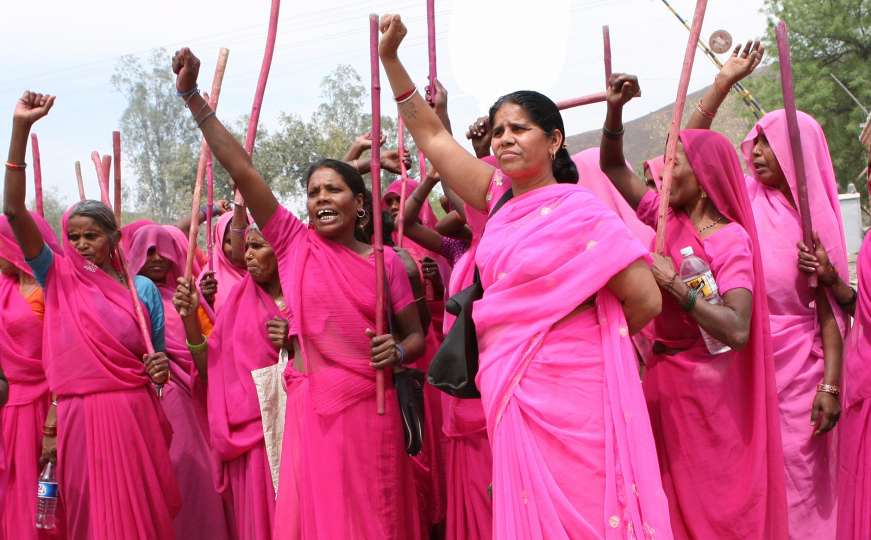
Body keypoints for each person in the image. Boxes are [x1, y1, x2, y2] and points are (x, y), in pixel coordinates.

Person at [378, 14, 671, 538]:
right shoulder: (495, 198)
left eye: (519, 129)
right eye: (497, 132)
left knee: (593, 503)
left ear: (554, 140)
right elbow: (432, 137)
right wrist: (391, 60)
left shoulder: (585, 213)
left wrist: (587, 330)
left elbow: (645, 298)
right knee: (529, 504)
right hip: (513, 382)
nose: (505, 140)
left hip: (580, 383)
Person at [171, 47, 426, 539]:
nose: (322, 199)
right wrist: (192, 98)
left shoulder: (387, 263)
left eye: (334, 190)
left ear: (359, 204)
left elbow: (416, 337)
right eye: (313, 192)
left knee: (376, 519)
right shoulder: (291, 242)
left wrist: (395, 349)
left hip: (372, 410)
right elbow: (243, 171)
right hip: (313, 414)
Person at [600, 72, 788, 539]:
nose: (662, 174)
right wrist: (615, 110)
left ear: (702, 178)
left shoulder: (730, 241)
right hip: (662, 391)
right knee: (664, 507)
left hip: (709, 401)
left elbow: (736, 328)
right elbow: (613, 168)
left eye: (674, 163)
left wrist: (677, 289)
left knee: (712, 512)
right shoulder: (664, 217)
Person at [686, 45, 846, 538]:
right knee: (748, 484)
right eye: (753, 142)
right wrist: (721, 84)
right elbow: (688, 145)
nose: (755, 152)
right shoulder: (739, 202)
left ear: (799, 153)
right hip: (742, 366)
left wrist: (830, 386)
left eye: (768, 143)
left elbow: (831, 316)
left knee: (802, 485)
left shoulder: (814, 218)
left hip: (801, 377)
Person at [3, 91, 180, 539]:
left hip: (133, 414)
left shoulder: (140, 291)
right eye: (74, 237)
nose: (82, 245)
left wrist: (159, 369)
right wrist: (21, 128)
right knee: (89, 516)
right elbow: (12, 210)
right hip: (79, 417)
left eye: (92, 236)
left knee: (142, 514)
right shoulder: (56, 277)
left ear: (114, 239)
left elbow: (157, 365)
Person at [173, 224, 286, 540]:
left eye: (258, 246)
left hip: (298, 433)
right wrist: (190, 319)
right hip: (252, 441)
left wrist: (294, 342)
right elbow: (212, 371)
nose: (248, 255)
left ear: (282, 248)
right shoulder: (238, 301)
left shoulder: (306, 294)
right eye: (246, 247)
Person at [128, 224, 231, 540]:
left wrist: (202, 305)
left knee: (195, 473)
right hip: (158, 393)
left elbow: (214, 345)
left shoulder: (190, 297)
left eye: (163, 251)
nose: (157, 259)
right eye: (148, 253)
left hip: (196, 394)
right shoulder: (127, 296)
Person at [0, 212, 64, 540]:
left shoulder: (53, 287)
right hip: (12, 406)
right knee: (17, 489)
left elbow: (63, 354)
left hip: (51, 402)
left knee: (50, 489)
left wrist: (53, 419)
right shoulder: (2, 289)